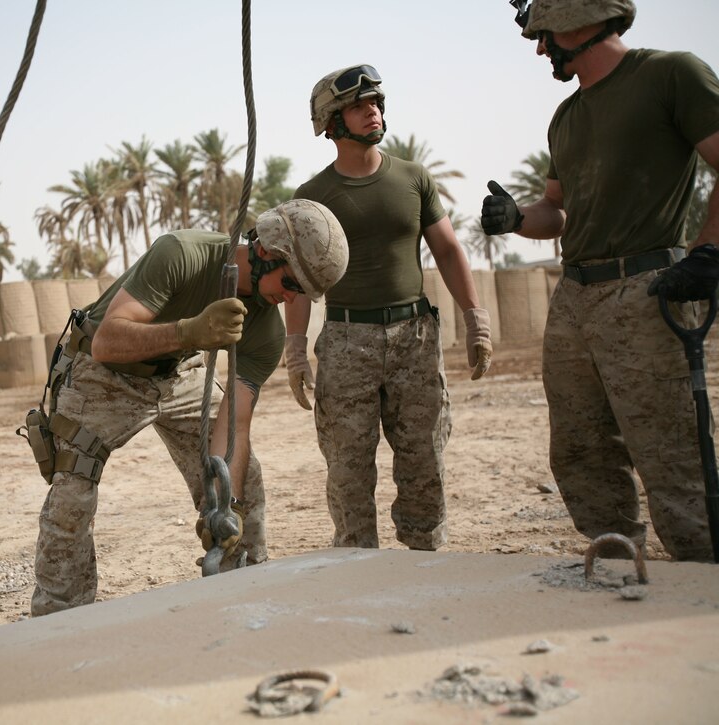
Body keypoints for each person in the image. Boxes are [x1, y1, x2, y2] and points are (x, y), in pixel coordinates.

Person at [29, 199, 348, 616]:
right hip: (104, 369)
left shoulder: (266, 333)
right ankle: (58, 622)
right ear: (267, 252)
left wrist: (221, 503)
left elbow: (235, 424)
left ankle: (245, 598)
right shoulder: (182, 254)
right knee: (72, 492)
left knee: (241, 487)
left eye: (303, 294)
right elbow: (107, 341)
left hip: (180, 371)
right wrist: (190, 330)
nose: (291, 298)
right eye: (291, 284)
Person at [482, 0, 719, 560]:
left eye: (545, 36)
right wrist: (517, 218)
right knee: (580, 447)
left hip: (648, 288)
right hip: (575, 297)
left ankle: (704, 571)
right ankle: (615, 561)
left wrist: (708, 251)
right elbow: (557, 214)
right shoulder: (566, 116)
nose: (542, 50)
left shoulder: (671, 73)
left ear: (575, 21)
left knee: (669, 448)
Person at [284, 64, 493, 552]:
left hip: (414, 338)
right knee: (348, 466)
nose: (372, 111)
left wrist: (475, 318)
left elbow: (446, 249)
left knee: (424, 460)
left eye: (375, 103)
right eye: (358, 106)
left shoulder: (414, 178)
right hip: (345, 342)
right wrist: (295, 349)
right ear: (332, 122)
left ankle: (425, 559)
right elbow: (299, 280)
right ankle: (357, 565)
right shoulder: (312, 198)